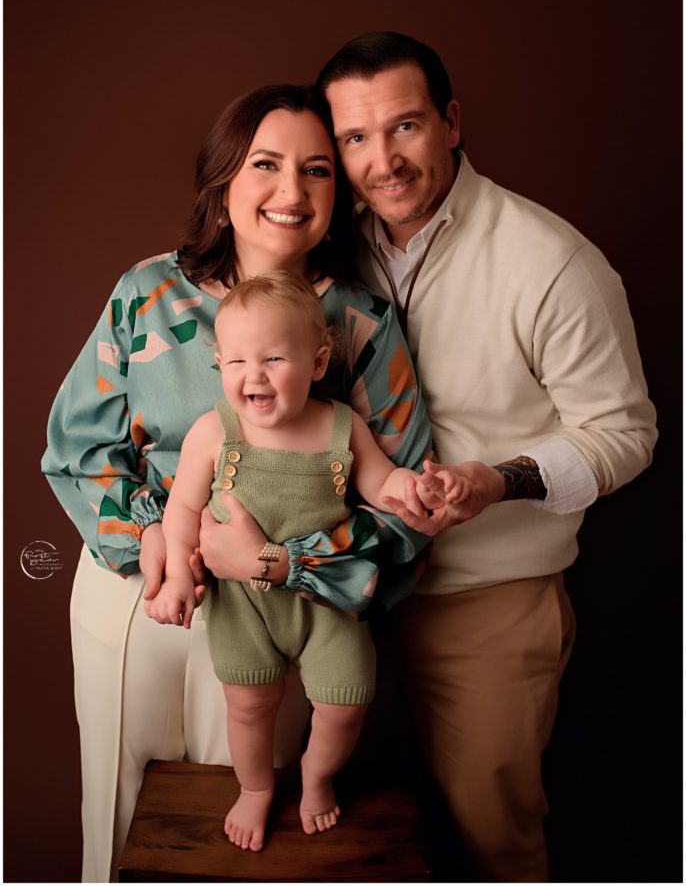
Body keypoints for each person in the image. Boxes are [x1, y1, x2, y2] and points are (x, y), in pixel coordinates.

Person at [41, 84, 435, 882]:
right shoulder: (146, 293)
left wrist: (274, 563)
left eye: (318, 171)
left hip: (292, 610)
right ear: (224, 182)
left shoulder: (359, 321)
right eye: (266, 164)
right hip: (141, 591)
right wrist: (159, 537)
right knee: (116, 821)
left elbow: (402, 509)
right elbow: (78, 447)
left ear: (339, 194)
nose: (291, 192)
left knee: (241, 827)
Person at [315, 31, 658, 882]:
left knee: (488, 844)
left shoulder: (553, 261)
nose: (383, 161)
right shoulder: (328, 249)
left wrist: (494, 481)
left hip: (482, 605)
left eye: (405, 127)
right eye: (355, 138)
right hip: (335, 594)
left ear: (452, 121)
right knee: (344, 843)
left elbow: (624, 433)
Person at [147, 271, 462, 850]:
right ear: (218, 364)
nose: (254, 375)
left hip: (326, 599)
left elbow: (381, 482)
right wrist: (172, 578)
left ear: (318, 364)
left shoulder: (343, 426)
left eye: (273, 358)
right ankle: (256, 789)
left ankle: (317, 777)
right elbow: (182, 510)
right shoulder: (214, 432)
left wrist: (414, 490)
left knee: (345, 704)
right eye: (236, 361)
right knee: (248, 706)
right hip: (242, 604)